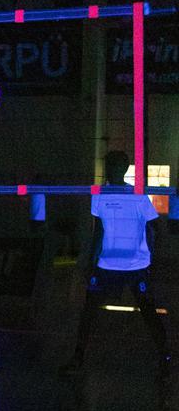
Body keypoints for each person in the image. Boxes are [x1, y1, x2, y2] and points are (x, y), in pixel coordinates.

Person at [62, 151, 171, 379]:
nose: (112, 169)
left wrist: (151, 259)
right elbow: (98, 230)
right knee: (88, 312)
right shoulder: (99, 195)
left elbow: (156, 228)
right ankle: (77, 358)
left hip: (136, 267)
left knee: (149, 312)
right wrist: (92, 263)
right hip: (106, 266)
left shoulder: (138, 196)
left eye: (116, 165)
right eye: (109, 165)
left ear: (123, 169)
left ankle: (165, 358)